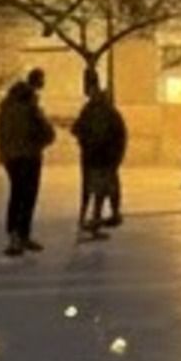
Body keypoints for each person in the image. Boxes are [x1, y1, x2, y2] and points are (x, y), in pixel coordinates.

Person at [0, 69, 55, 257]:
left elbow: (1, 133)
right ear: (37, 82)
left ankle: (15, 235)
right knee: (27, 196)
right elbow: (46, 131)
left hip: (11, 158)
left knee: (16, 194)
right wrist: (42, 141)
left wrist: (4, 153)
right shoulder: (30, 106)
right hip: (29, 156)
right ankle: (23, 235)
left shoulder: (5, 107)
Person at [71, 75, 128, 239]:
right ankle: (97, 220)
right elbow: (120, 135)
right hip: (105, 157)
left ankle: (89, 220)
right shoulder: (110, 112)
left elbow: (77, 129)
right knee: (101, 190)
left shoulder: (89, 110)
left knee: (91, 189)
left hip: (93, 156)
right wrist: (117, 156)